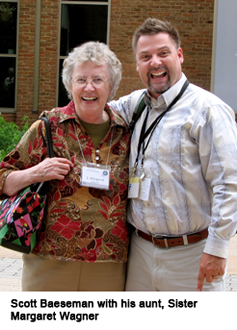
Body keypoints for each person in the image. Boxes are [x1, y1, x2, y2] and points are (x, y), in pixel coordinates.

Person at [109, 18, 237, 291]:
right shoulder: (134, 105)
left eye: (163, 53)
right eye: (145, 57)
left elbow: (229, 183)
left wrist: (217, 248)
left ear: (179, 55)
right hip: (140, 255)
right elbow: (93, 109)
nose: (155, 62)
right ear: (137, 64)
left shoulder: (208, 110)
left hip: (193, 255)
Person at [0, 41, 130, 291]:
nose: (89, 87)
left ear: (111, 86)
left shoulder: (126, 133)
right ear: (70, 85)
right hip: (48, 262)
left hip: (109, 265)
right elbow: (3, 176)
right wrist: (36, 172)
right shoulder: (48, 127)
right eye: (80, 79)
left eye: (98, 79)